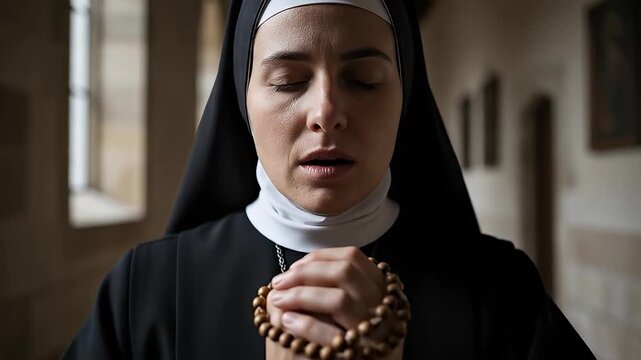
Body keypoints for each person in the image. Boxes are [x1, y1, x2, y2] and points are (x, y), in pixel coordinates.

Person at [61, 0, 596, 359]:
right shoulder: (148, 288)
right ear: (243, 103)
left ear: (404, 101)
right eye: (289, 81)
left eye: (363, 80)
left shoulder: (501, 288)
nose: (327, 112)